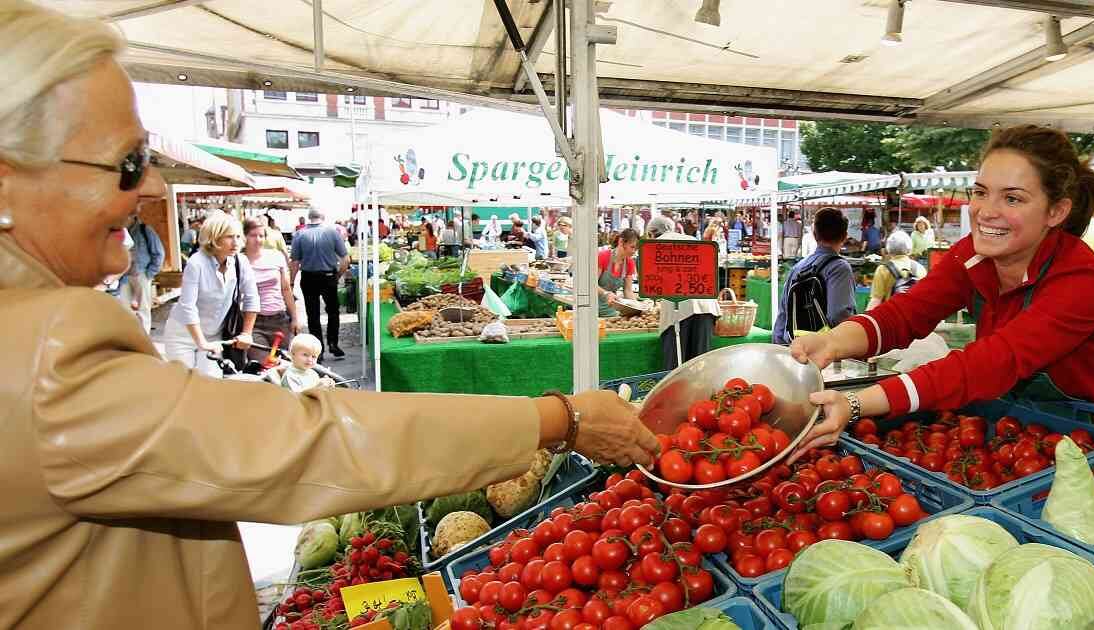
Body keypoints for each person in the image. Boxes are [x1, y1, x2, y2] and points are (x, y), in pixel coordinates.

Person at [0, 5, 659, 627]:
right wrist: (559, 419)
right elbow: (302, 442)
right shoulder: (45, 348)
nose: (151, 189)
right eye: (128, 162)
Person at [790, 125, 1094, 458]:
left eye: (1013, 199)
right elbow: (906, 313)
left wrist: (855, 404)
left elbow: (987, 365)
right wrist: (833, 342)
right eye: (980, 192)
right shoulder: (973, 255)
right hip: (1017, 433)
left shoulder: (1083, 283)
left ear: (1056, 211)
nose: (986, 212)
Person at [162, 212, 260, 377]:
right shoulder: (196, 263)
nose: (236, 242)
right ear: (213, 238)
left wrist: (246, 334)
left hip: (215, 335)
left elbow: (251, 298)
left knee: (211, 382)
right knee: (183, 383)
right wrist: (201, 343)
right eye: (229, 236)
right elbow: (188, 306)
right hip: (182, 334)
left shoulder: (240, 261)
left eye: (238, 236)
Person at [646, 217, 721, 370]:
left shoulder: (655, 245)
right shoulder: (691, 239)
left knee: (676, 368)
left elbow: (653, 285)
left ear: (652, 233)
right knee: (701, 366)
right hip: (706, 306)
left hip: (679, 310)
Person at [773, 207, 855, 344]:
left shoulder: (797, 268)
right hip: (824, 353)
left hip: (795, 349)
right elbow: (839, 316)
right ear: (844, 236)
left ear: (814, 234)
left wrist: (780, 348)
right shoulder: (839, 268)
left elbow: (783, 316)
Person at [289, 207, 349, 359]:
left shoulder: (299, 234)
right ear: (323, 217)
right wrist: (338, 275)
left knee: (312, 314)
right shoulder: (332, 233)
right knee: (333, 312)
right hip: (328, 276)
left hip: (308, 277)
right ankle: (333, 343)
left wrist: (290, 282)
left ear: (309, 218)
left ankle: (318, 350)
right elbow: (345, 260)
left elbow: (295, 262)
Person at [244, 218, 299, 362]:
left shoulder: (276, 256)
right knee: (264, 364)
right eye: (253, 235)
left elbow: (286, 289)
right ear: (244, 237)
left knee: (283, 363)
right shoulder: (239, 261)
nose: (258, 239)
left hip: (279, 320)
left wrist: (294, 318)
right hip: (253, 322)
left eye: (261, 235)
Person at [118, 214, 163, 332]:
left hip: (142, 274)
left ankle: (144, 339)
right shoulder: (119, 231)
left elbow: (159, 253)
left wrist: (149, 274)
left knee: (143, 309)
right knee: (125, 310)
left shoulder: (145, 230)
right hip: (123, 276)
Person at [868, 231, 927, 309]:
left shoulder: (883, 269)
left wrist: (864, 318)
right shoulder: (921, 268)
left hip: (892, 317)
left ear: (888, 249)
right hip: (915, 317)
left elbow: (876, 301)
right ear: (909, 248)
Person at [597, 229, 639, 317]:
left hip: (611, 309)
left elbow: (628, 291)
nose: (634, 251)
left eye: (636, 248)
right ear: (621, 242)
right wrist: (606, 293)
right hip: (593, 308)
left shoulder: (630, 263)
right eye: (632, 247)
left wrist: (637, 307)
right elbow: (591, 284)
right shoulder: (603, 256)